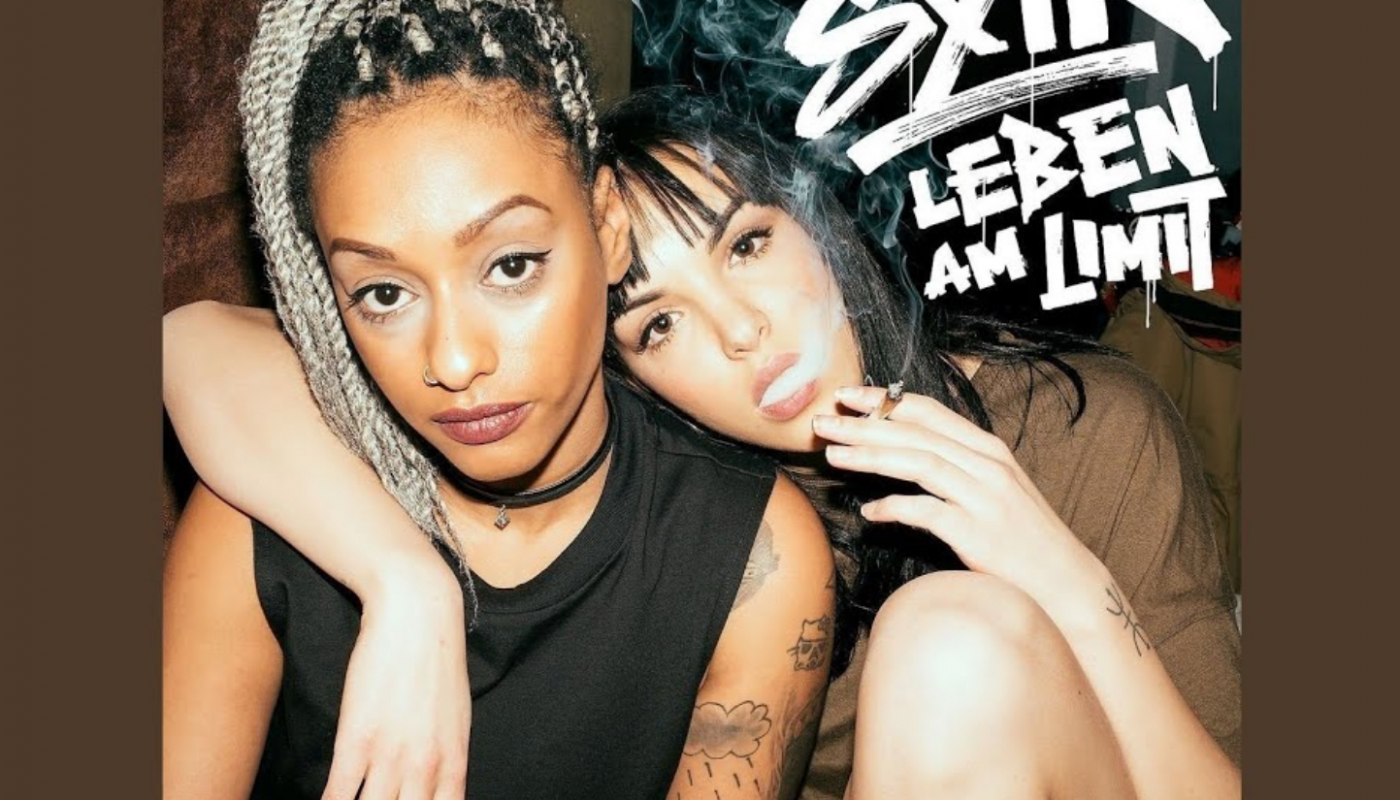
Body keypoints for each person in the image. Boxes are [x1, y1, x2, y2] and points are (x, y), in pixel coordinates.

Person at [166, 83, 1241, 799]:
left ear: (821, 218)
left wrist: (1058, 571)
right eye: (658, 325)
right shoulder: (705, 514)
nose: (738, 333)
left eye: (749, 244)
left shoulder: (1076, 427)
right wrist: (404, 581)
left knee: (950, 638)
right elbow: (201, 342)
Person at [162, 5, 834, 800]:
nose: (454, 361)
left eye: (511, 266)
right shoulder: (261, 502)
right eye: (383, 293)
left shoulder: (751, 554)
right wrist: (407, 587)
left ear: (608, 225)